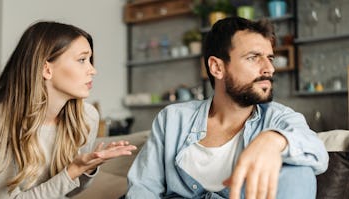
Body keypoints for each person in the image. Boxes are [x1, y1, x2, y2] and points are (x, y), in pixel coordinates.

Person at [126, 17, 328, 199]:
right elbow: (143, 188)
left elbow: (318, 152)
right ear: (217, 68)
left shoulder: (279, 118)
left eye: (270, 58)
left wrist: (275, 140)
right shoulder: (172, 119)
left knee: (300, 172)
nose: (269, 68)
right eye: (253, 57)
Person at [0, 21, 137, 198]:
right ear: (46, 69)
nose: (93, 70)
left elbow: (70, 191)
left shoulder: (86, 116)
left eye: (90, 60)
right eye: (82, 60)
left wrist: (86, 168)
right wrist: (72, 171)